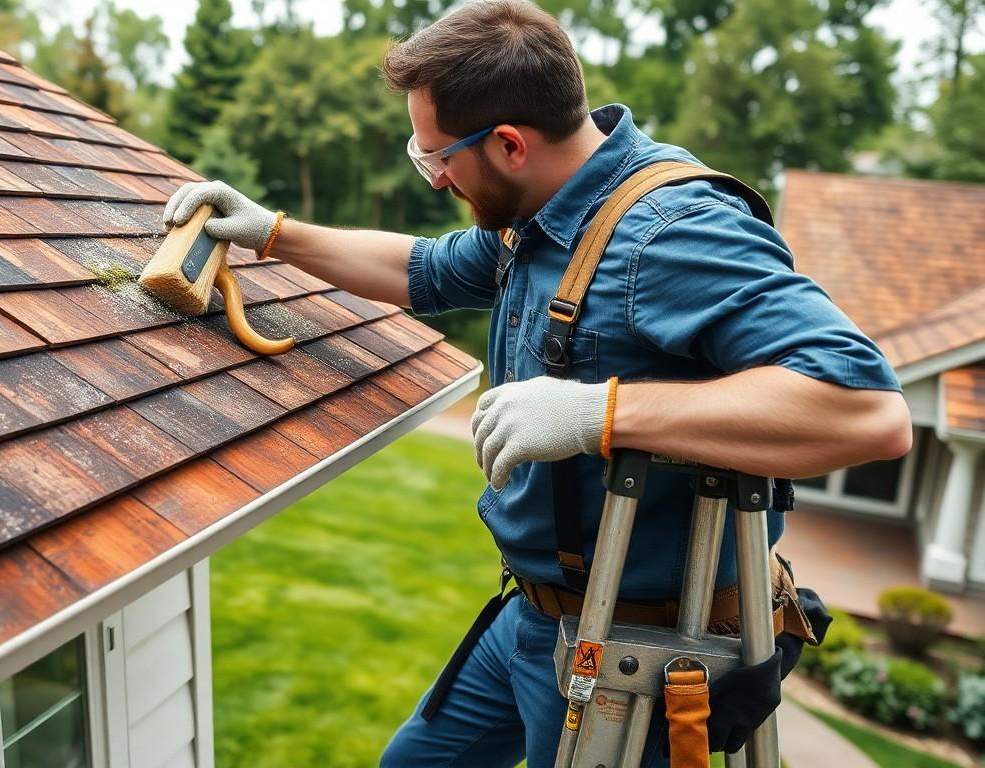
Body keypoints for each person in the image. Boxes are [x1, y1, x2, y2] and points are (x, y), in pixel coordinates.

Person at [160, 2, 912, 765]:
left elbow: (864, 412)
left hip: (628, 656)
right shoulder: (549, 217)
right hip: (533, 616)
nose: (438, 178)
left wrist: (601, 412)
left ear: (510, 144)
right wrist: (271, 233)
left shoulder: (671, 232)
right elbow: (416, 268)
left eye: (437, 158)